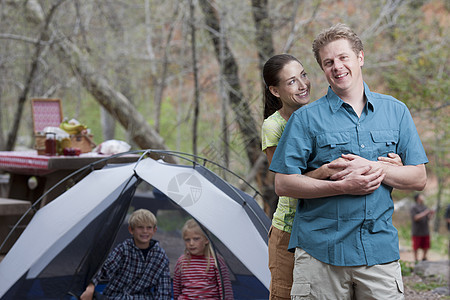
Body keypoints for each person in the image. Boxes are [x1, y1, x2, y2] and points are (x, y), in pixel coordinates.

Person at [270, 23, 428, 299]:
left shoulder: (396, 111)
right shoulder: (305, 119)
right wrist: (343, 186)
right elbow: (283, 183)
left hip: (377, 251)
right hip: (320, 254)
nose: (337, 67)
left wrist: (375, 168)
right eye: (328, 62)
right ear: (323, 70)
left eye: (343, 57)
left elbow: (418, 178)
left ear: (360, 58)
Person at [80, 209, 171, 299]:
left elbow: (163, 289)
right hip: (116, 296)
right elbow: (104, 269)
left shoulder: (160, 256)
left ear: (154, 230)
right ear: (131, 230)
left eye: (149, 227)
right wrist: (91, 287)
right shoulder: (123, 250)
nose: (145, 231)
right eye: (140, 227)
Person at [173, 219, 233, 299]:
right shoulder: (182, 261)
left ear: (206, 240)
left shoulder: (216, 261)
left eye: (196, 239)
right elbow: (177, 288)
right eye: (187, 240)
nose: (191, 243)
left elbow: (225, 289)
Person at [411, 193, 434, 262]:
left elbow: (428, 218)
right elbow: (415, 218)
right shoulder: (414, 207)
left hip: (425, 230)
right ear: (417, 198)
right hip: (417, 231)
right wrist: (425, 213)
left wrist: (431, 214)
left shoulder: (425, 207)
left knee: (426, 245)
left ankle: (424, 258)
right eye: (421, 196)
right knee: (416, 246)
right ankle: (416, 259)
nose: (423, 197)